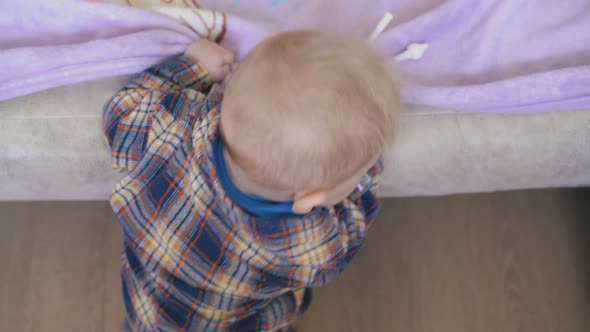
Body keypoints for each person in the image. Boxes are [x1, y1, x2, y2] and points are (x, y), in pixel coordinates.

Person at [103, 30, 399, 331]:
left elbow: (121, 112)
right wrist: (367, 178)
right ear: (310, 198)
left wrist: (193, 65)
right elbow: (352, 226)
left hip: (151, 316)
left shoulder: (170, 130)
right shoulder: (312, 243)